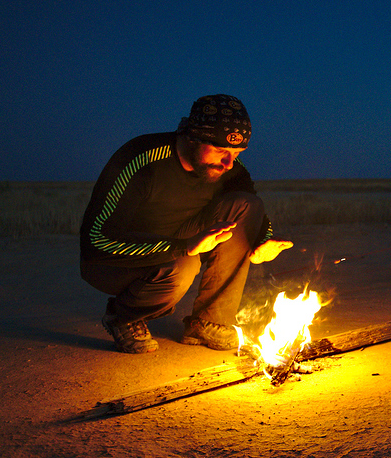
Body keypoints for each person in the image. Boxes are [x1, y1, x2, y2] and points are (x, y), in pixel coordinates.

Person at [79, 94, 292, 353]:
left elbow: (251, 208)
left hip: (182, 241)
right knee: (182, 267)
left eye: (236, 152)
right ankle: (123, 316)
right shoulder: (140, 159)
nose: (228, 163)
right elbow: (96, 241)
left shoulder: (230, 168)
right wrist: (183, 247)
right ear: (192, 136)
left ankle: (207, 323)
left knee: (245, 204)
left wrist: (263, 240)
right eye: (220, 150)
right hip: (113, 260)